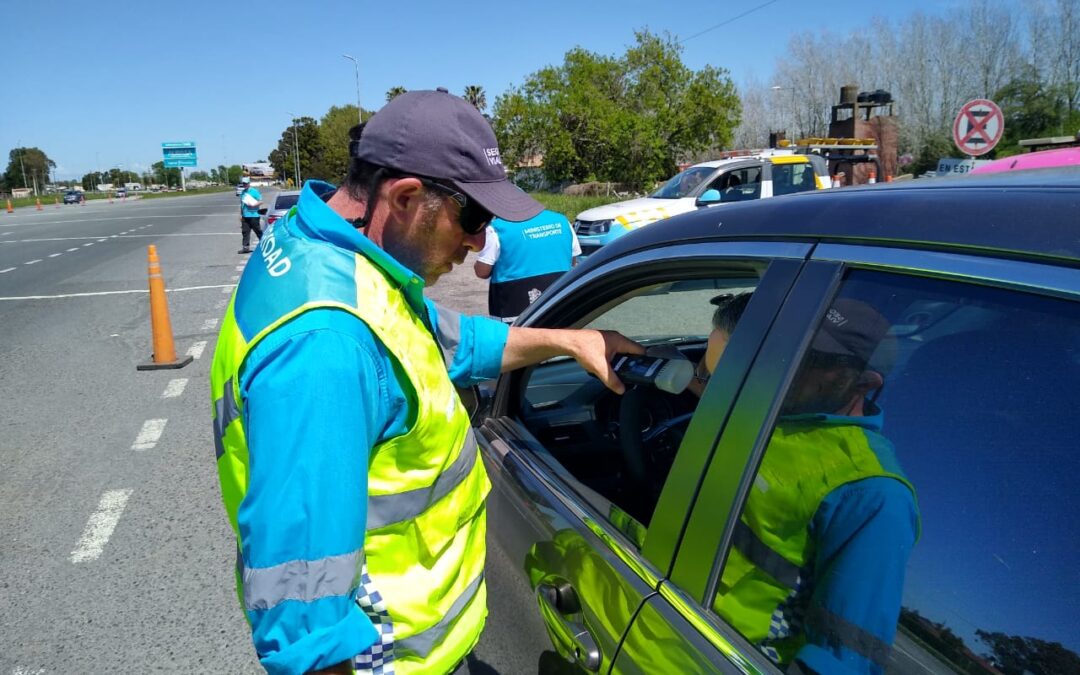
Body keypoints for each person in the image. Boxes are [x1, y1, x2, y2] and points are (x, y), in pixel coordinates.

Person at [209, 89, 643, 675]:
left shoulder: (330, 252)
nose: (477, 242)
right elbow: (302, 614)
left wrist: (566, 340)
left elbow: (438, 341)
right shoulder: (326, 346)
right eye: (473, 218)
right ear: (406, 197)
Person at [692, 293, 919, 674]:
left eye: (816, 359)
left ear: (863, 383)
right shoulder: (771, 409)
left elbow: (841, 659)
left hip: (712, 653)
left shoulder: (873, 493)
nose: (791, 364)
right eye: (792, 346)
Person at [472, 209, 581, 322]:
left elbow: (482, 272)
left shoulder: (497, 228)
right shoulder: (562, 221)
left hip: (514, 309)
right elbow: (572, 261)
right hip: (559, 301)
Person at [238, 176, 263, 254]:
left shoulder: (254, 191)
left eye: (246, 183)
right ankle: (245, 248)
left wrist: (254, 205)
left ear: (249, 183)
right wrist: (241, 214)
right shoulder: (243, 192)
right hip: (245, 216)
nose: (244, 185)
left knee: (258, 231)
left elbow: (261, 201)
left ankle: (263, 245)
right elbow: (242, 204)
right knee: (245, 232)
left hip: (254, 215)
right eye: (243, 183)